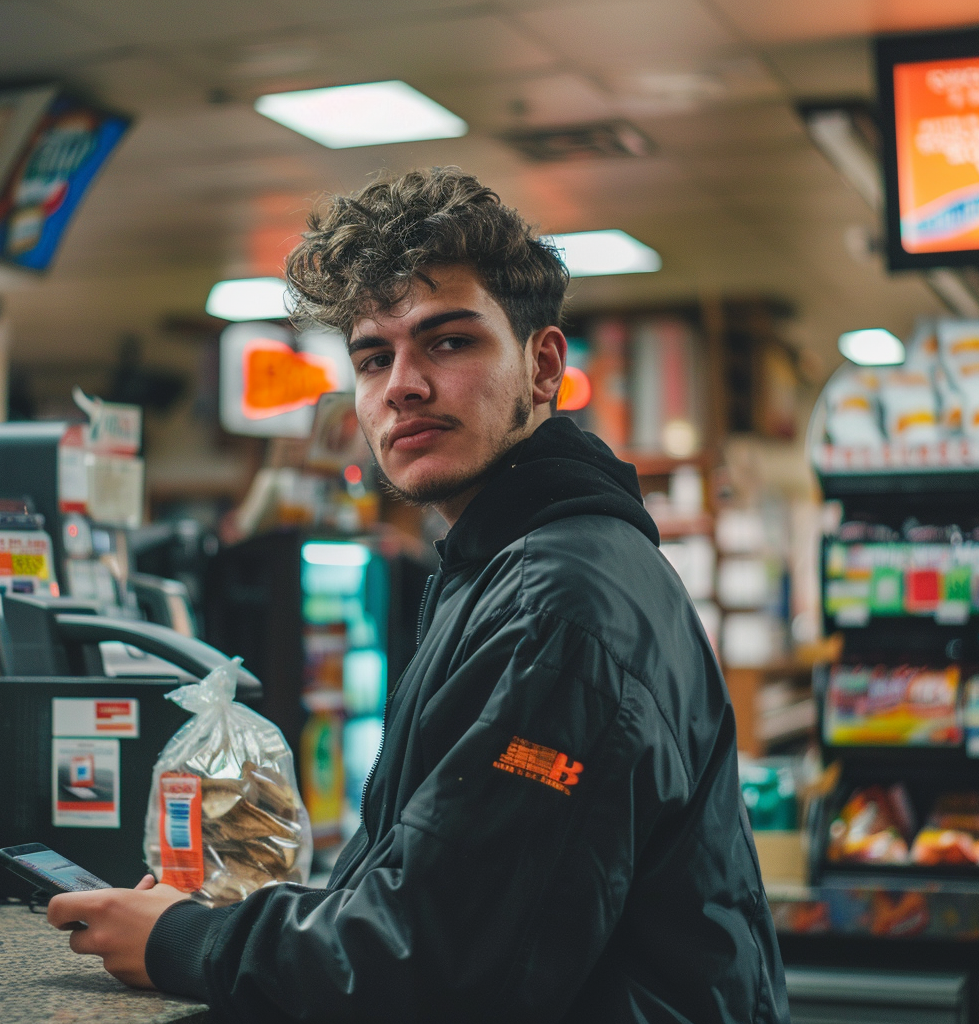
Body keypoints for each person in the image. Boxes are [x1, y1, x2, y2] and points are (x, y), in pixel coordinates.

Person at [48, 167, 789, 1024]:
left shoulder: (560, 607)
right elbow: (437, 886)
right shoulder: (505, 565)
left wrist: (191, 941)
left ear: (543, 365)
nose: (402, 383)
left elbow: (438, 959)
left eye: (449, 342)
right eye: (374, 356)